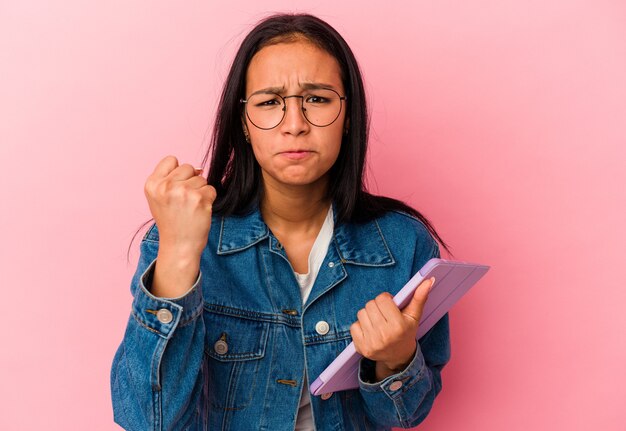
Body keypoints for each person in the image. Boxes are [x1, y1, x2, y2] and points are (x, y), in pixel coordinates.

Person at [111, 12, 452, 431]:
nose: (295, 125)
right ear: (244, 123)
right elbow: (147, 420)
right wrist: (180, 254)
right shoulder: (179, 236)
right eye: (270, 102)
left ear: (348, 116)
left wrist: (396, 359)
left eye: (318, 99)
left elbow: (407, 414)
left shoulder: (403, 243)